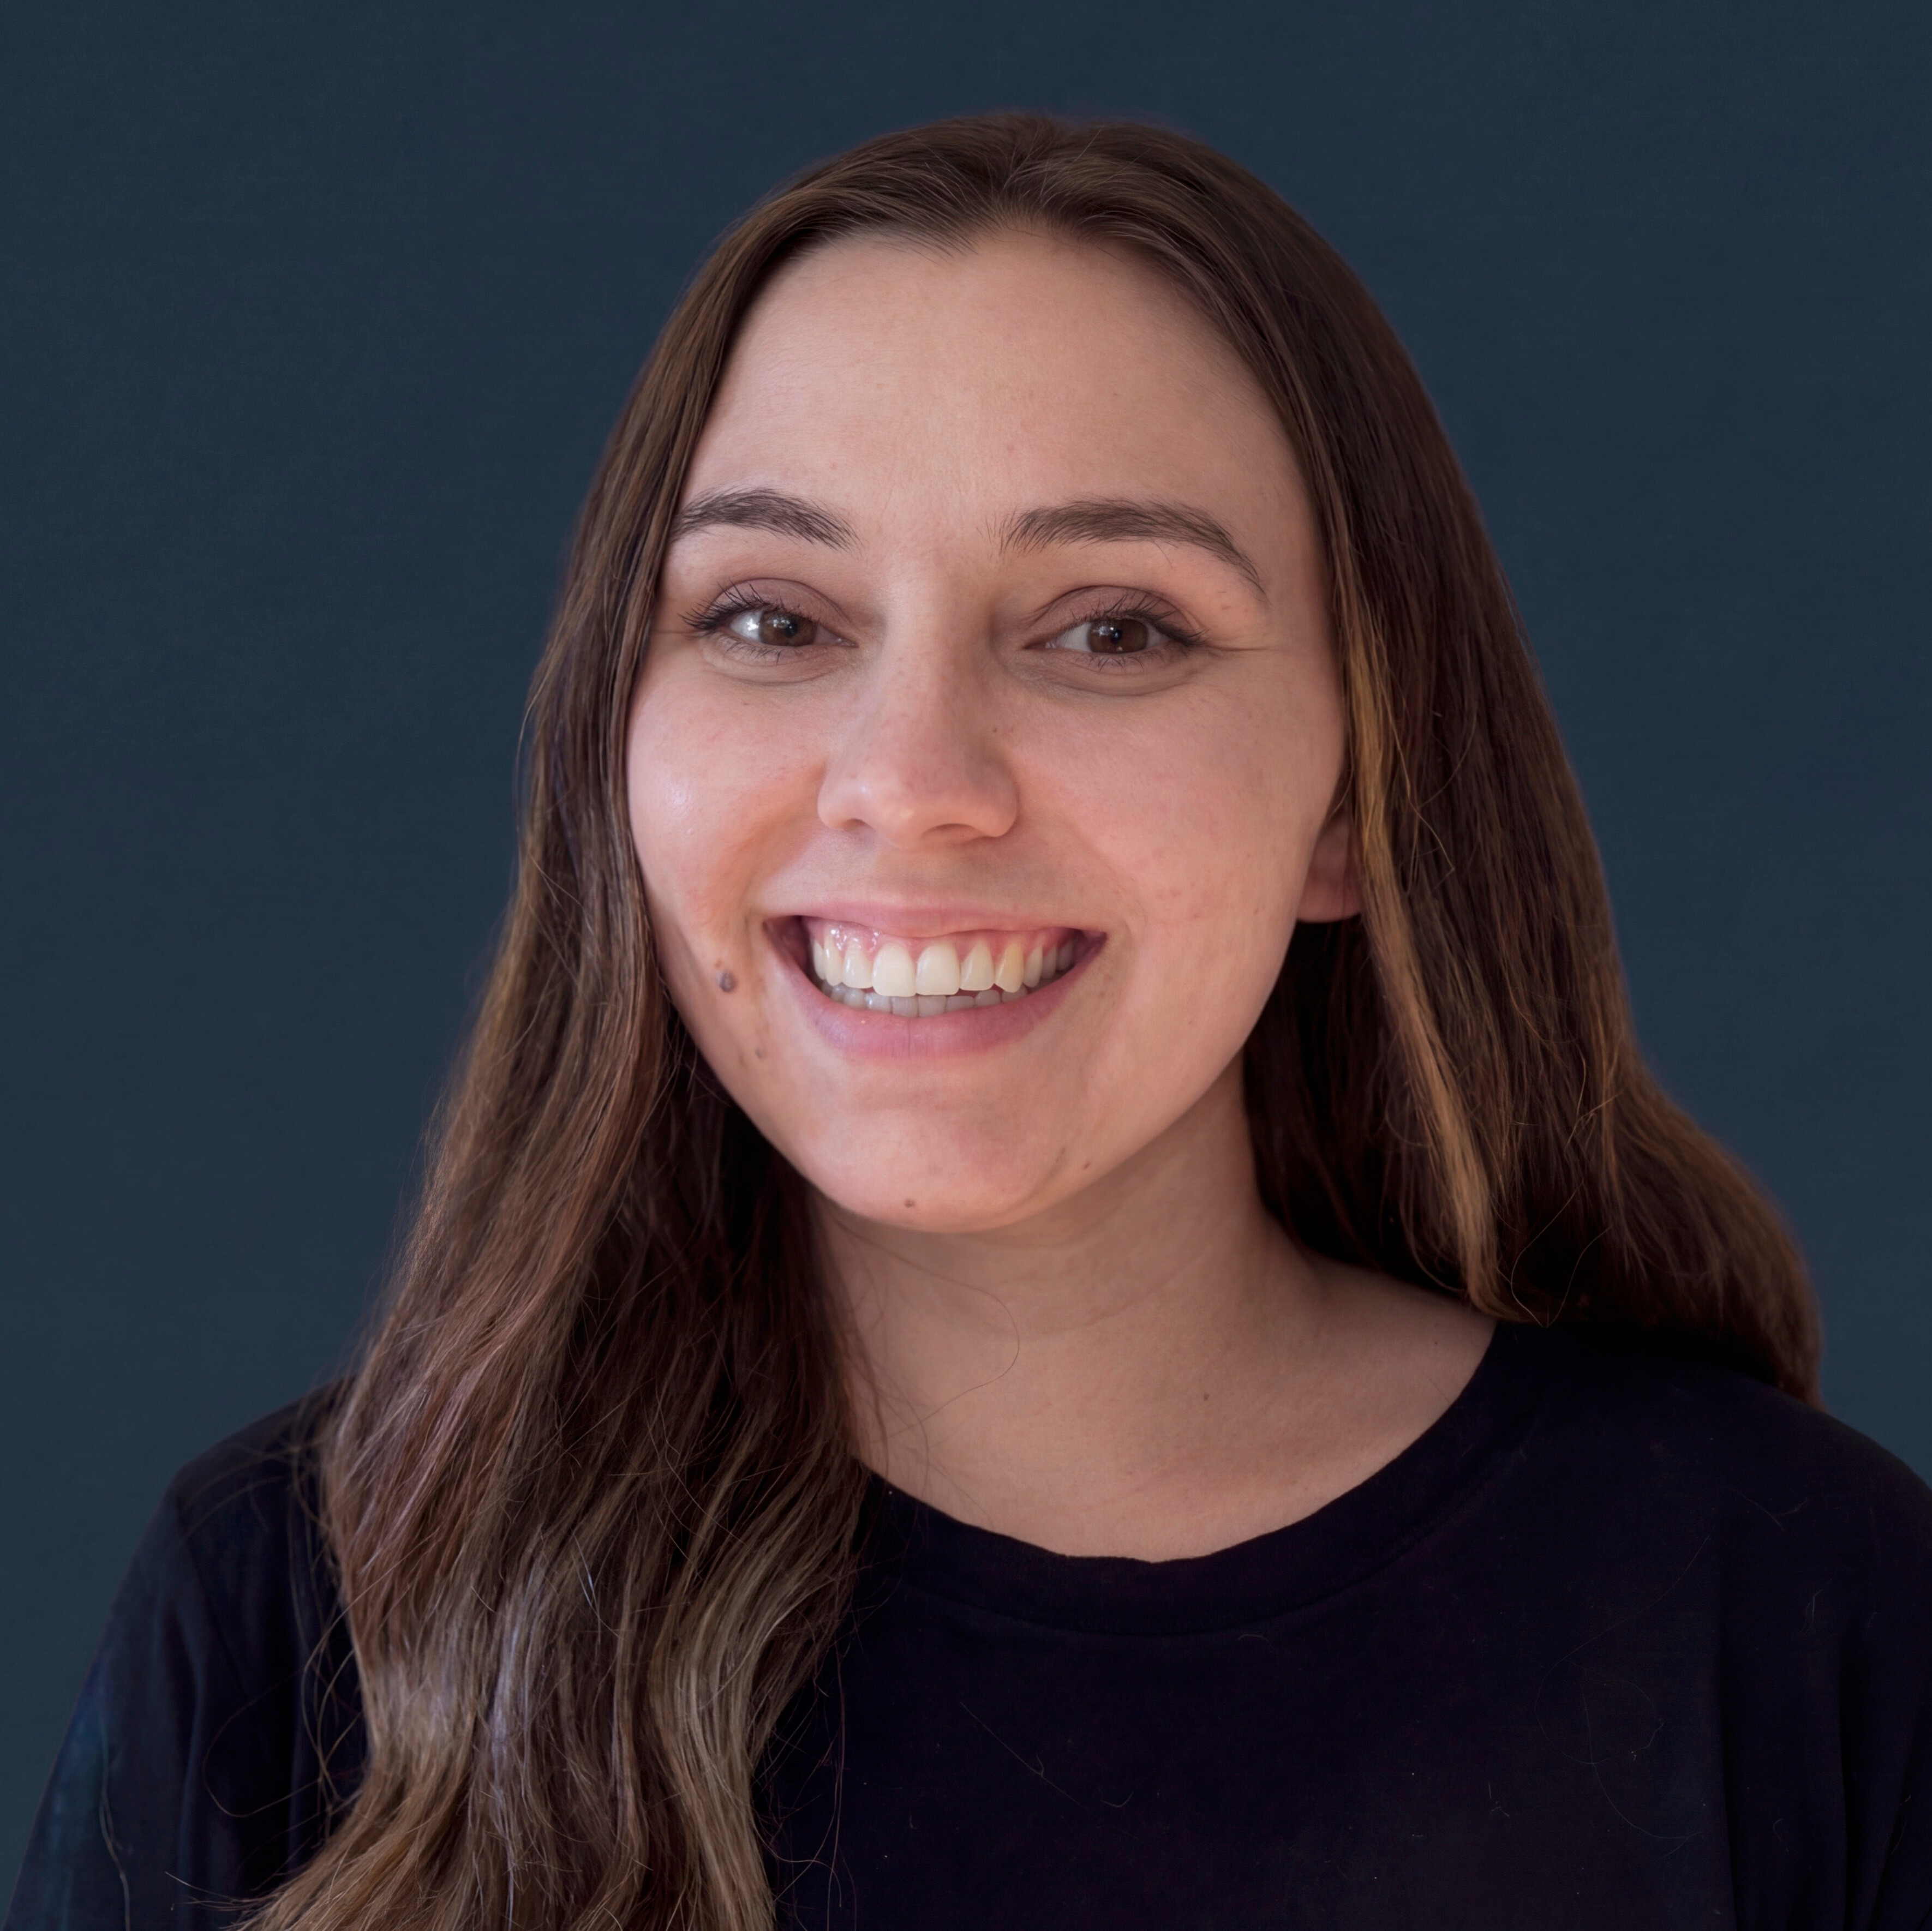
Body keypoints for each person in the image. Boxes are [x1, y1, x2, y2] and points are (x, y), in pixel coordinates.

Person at [9, 112, 1929, 1931]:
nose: (912, 781)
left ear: (1358, 791)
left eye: (1114, 628)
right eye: (773, 619)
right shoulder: (293, 1627)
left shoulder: (1796, 1618)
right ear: (616, 738)